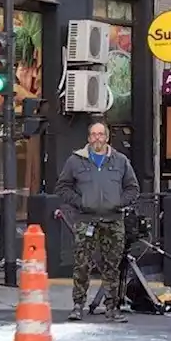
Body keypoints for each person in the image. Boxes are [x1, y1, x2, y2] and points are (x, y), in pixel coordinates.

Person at [55, 122, 140, 323]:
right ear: (88, 138)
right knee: (82, 264)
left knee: (112, 267)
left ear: (107, 137)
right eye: (93, 134)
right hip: (86, 220)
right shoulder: (75, 161)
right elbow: (63, 186)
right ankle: (77, 306)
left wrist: (119, 203)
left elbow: (133, 188)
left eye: (101, 134)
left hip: (113, 221)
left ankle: (112, 308)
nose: (97, 138)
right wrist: (80, 202)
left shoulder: (120, 161)